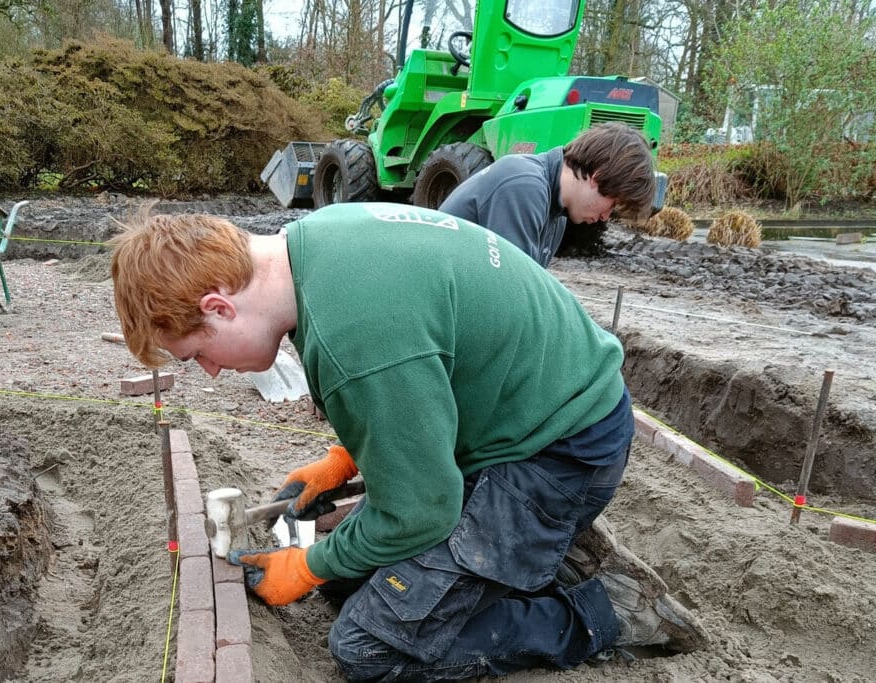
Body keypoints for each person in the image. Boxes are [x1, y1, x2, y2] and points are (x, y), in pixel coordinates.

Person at [110, 202, 707, 681]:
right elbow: (425, 373)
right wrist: (346, 458)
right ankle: (531, 552)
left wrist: (308, 565)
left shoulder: (355, 335)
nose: (212, 371)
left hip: (561, 451)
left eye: (198, 354)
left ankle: (603, 612)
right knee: (349, 579)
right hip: (518, 417)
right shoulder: (313, 242)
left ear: (218, 307)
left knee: (368, 648)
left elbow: (420, 511)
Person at [438, 121, 658, 268]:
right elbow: (510, 295)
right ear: (597, 177)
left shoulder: (556, 214)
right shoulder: (524, 186)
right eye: (612, 204)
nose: (605, 217)